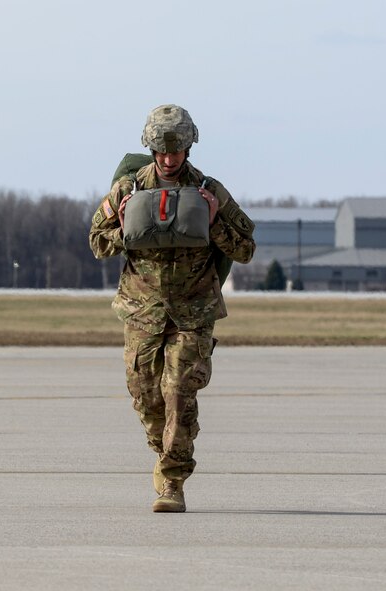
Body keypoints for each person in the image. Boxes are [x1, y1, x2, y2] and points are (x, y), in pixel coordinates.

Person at [88, 104, 256, 512]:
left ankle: (172, 482)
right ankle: (165, 449)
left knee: (179, 393)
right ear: (150, 147)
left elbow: (246, 249)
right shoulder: (130, 190)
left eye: (177, 150)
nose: (169, 159)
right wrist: (124, 226)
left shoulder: (209, 191)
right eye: (162, 151)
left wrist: (215, 222)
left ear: (188, 147)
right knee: (148, 399)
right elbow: (97, 242)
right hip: (143, 312)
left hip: (193, 314)